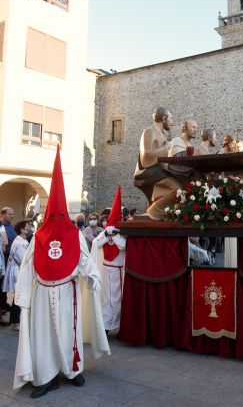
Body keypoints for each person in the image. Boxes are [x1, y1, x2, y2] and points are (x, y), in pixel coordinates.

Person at [13, 147, 110, 398]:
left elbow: (84, 258)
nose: (56, 218)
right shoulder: (39, 237)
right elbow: (28, 265)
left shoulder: (75, 234)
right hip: (43, 294)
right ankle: (46, 377)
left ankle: (72, 370)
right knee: (44, 338)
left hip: (68, 292)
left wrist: (93, 275)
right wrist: (23, 296)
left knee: (70, 332)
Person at [134, 107, 180, 220]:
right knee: (177, 188)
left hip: (157, 172)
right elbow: (146, 157)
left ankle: (162, 209)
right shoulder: (149, 131)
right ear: (164, 118)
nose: (172, 122)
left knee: (180, 180)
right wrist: (168, 146)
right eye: (171, 119)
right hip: (146, 172)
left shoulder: (162, 134)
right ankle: (155, 210)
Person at [91, 186, 126, 334]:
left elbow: (123, 246)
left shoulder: (122, 235)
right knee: (106, 301)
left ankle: (119, 327)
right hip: (106, 271)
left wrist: (116, 234)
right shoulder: (105, 233)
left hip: (120, 272)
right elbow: (95, 243)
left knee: (119, 301)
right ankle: (105, 327)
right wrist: (106, 234)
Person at [2, 220, 30, 331]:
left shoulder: (23, 240)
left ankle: (16, 321)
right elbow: (24, 259)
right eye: (27, 227)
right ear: (22, 230)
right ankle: (15, 322)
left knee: (19, 296)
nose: (29, 228)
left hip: (21, 270)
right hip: (18, 271)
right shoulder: (20, 242)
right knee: (18, 296)